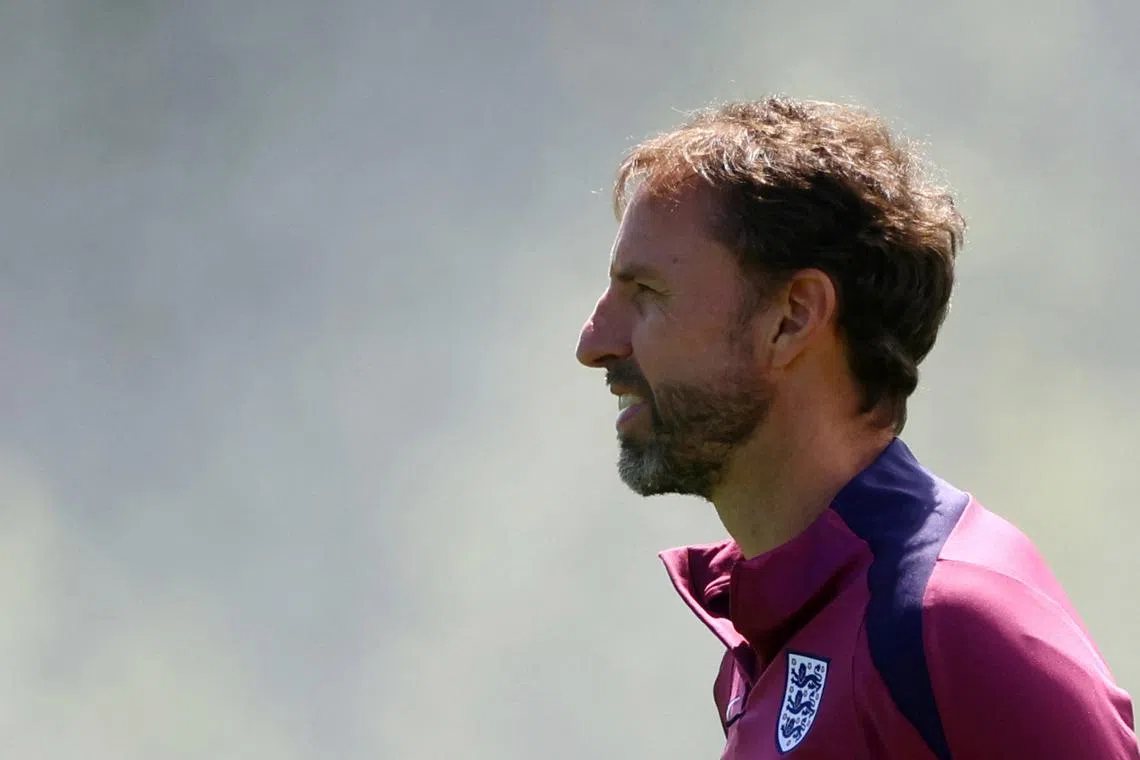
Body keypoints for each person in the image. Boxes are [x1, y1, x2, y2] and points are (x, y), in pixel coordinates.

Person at [575, 97, 1139, 759]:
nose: (594, 342)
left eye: (646, 293)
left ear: (792, 318)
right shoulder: (773, 628)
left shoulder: (953, 625)